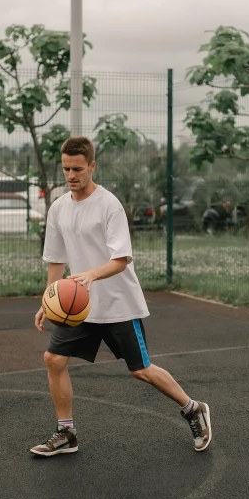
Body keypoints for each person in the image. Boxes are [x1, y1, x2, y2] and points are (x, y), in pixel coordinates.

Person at [31, 136, 212, 457]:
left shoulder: (108, 205)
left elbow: (121, 259)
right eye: (66, 169)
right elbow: (56, 259)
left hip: (118, 304)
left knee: (140, 369)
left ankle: (192, 408)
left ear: (92, 166)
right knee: (53, 359)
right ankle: (66, 432)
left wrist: (90, 274)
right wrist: (47, 300)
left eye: (77, 169)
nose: (71, 175)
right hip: (78, 306)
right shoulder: (58, 208)